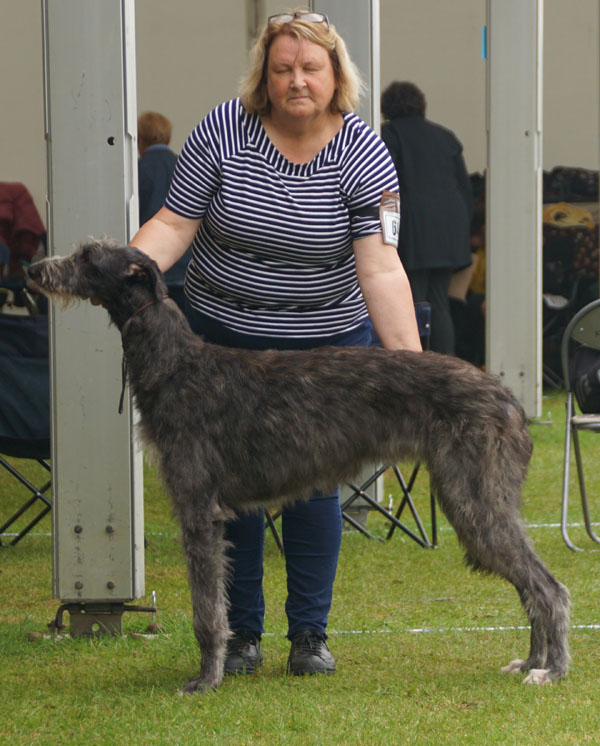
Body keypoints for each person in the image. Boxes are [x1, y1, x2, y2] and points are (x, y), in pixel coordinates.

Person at [131, 10, 421, 677]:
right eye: (283, 68)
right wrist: (129, 268)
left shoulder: (363, 151)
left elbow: (380, 266)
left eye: (310, 69)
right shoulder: (221, 130)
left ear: (335, 74)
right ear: (264, 73)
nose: (296, 81)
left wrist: (413, 371)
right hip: (222, 339)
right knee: (226, 488)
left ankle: (309, 637)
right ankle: (242, 637)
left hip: (325, 346)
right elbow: (175, 224)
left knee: (314, 488)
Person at [380, 81, 473, 355]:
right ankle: (447, 369)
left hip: (412, 233)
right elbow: (465, 190)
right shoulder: (446, 137)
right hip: (448, 234)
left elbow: (386, 189)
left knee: (413, 303)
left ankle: (419, 373)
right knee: (439, 304)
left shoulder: (389, 134)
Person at [137, 111, 191, 311]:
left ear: (139, 140)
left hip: (154, 271)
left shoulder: (137, 172)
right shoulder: (186, 167)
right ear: (168, 137)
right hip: (187, 269)